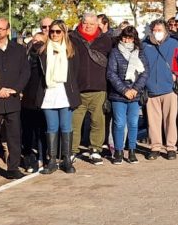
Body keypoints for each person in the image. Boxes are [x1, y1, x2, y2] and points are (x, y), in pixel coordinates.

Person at [0, 18, 30, 182]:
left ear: (8, 31)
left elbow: (25, 72)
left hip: (12, 100)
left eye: (0, 29)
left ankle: (13, 168)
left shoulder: (18, 49)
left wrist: (15, 89)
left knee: (14, 137)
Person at [67, 12, 113, 164]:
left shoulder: (105, 40)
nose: (88, 26)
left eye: (91, 24)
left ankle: (95, 150)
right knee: (75, 122)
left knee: (98, 122)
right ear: (81, 22)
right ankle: (72, 151)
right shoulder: (72, 38)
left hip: (99, 88)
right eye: (85, 23)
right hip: (78, 88)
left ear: (97, 25)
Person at [37, 20, 80, 174]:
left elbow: (76, 73)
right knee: (51, 127)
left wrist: (74, 90)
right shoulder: (42, 51)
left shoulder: (71, 50)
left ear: (64, 32)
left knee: (66, 126)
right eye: (52, 31)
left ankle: (67, 159)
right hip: (48, 92)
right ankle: (52, 160)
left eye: (57, 31)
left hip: (65, 93)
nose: (54, 34)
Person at [106, 26, 148, 164]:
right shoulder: (115, 52)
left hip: (135, 94)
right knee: (119, 123)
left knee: (133, 123)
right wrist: (124, 90)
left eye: (130, 37)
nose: (126, 40)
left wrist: (135, 89)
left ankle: (132, 150)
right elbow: (111, 74)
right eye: (124, 37)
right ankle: (118, 151)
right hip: (119, 94)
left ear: (134, 38)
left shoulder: (140, 53)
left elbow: (144, 73)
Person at [144, 19, 178, 160]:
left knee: (170, 120)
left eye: (159, 30)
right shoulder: (145, 45)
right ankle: (155, 147)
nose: (157, 33)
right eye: (154, 30)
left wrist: (177, 74)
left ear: (166, 31)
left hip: (169, 88)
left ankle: (171, 147)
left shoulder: (174, 43)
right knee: (153, 121)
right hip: (151, 89)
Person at [21, 31, 49, 173]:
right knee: (28, 132)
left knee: (42, 131)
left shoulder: (47, 57)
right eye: (34, 40)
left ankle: (43, 157)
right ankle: (29, 159)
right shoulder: (25, 56)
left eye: (40, 41)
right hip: (27, 98)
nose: (36, 43)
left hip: (43, 98)